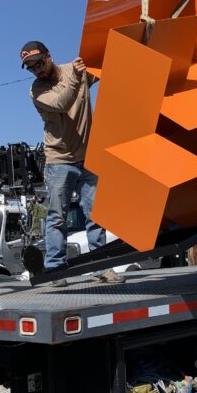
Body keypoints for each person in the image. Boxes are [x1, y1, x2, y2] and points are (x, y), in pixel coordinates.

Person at [20, 40, 119, 283]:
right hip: (59, 160)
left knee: (96, 215)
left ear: (49, 56)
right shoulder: (37, 90)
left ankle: (100, 267)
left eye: (39, 63)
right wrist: (77, 76)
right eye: (31, 67)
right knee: (57, 217)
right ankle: (55, 269)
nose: (37, 70)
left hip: (89, 156)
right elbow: (62, 103)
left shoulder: (75, 70)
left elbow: (109, 66)